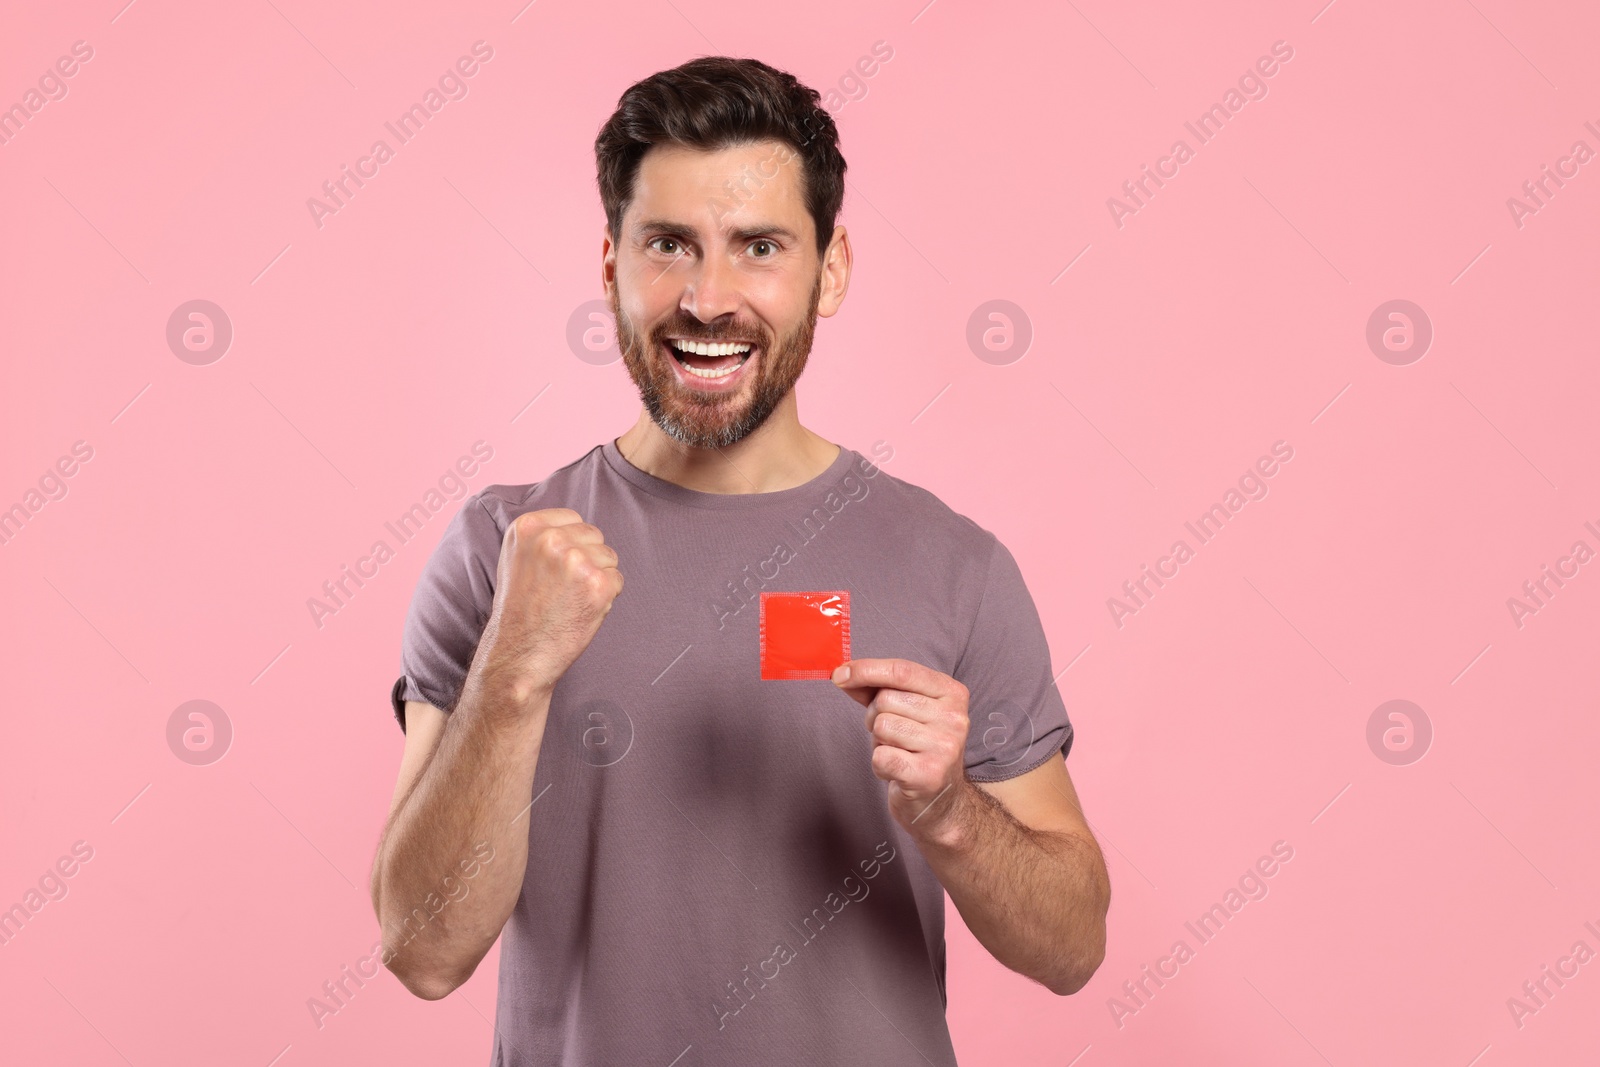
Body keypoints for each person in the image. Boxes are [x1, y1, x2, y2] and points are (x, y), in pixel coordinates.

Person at [369, 55, 1109, 1066]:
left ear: (830, 267)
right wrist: (509, 673)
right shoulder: (502, 548)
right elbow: (422, 949)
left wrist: (952, 812)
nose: (708, 298)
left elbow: (1071, 947)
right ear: (609, 265)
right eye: (668, 244)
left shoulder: (953, 565)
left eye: (758, 246)